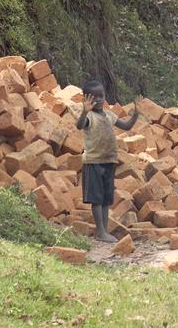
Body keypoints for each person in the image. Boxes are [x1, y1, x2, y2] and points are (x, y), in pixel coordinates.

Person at [75, 80, 142, 243]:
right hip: (93, 162)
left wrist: (136, 114)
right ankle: (101, 231)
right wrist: (84, 111)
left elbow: (126, 126)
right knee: (96, 199)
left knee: (106, 199)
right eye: (93, 97)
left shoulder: (109, 115)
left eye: (101, 96)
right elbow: (79, 125)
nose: (98, 99)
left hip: (109, 161)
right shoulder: (89, 116)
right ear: (86, 99)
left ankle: (103, 231)